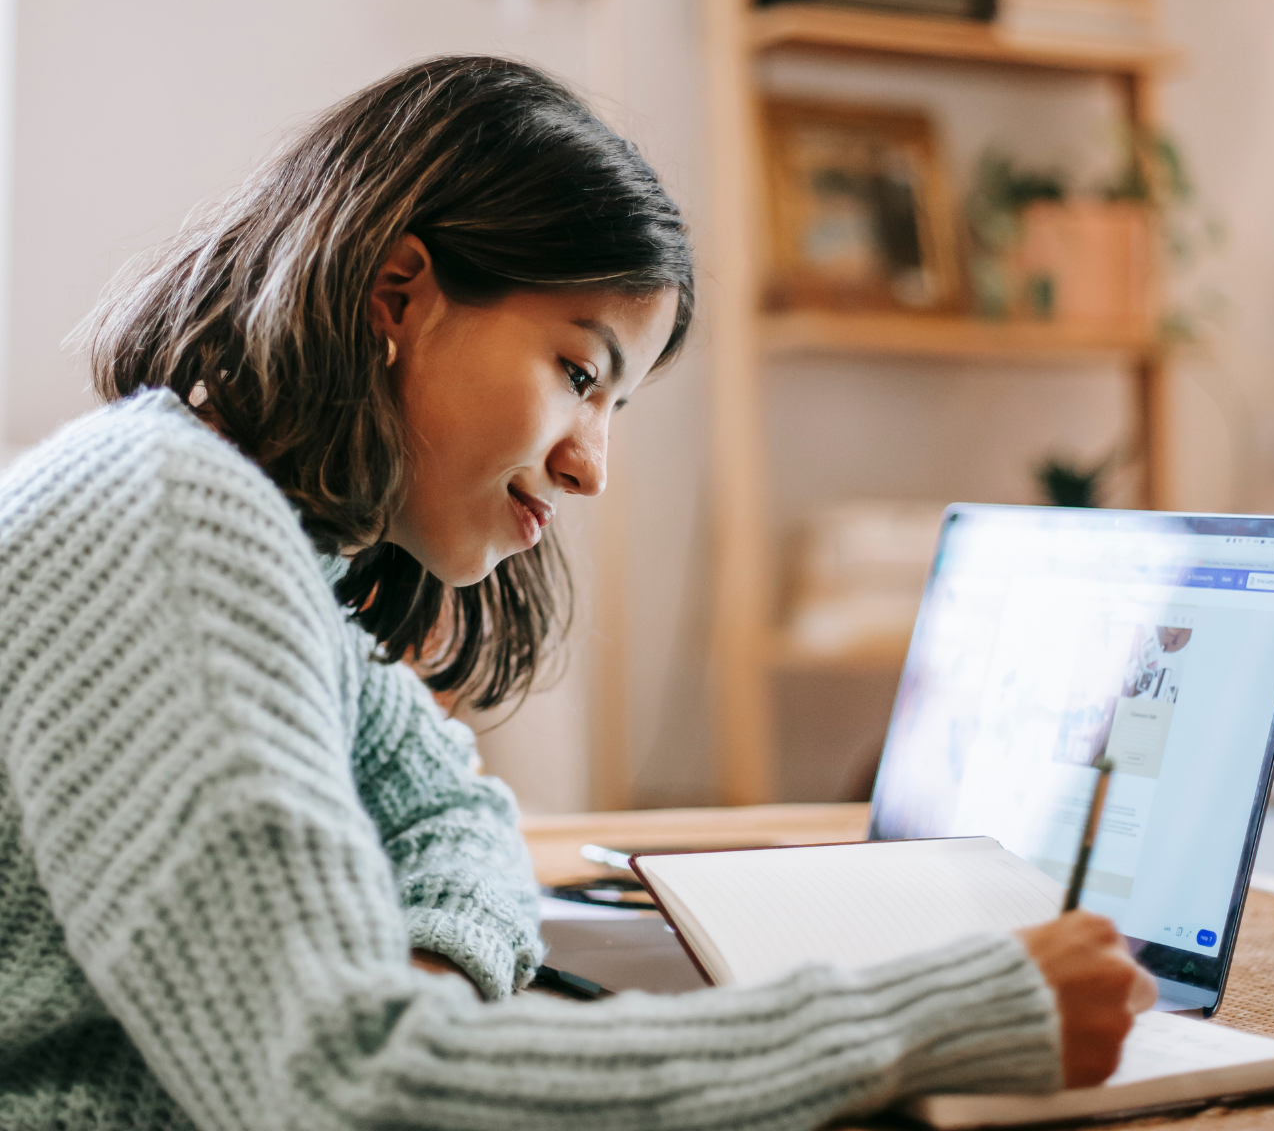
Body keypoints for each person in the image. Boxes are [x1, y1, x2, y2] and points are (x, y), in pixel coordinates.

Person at [0, 55, 1155, 1131]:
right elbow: (348, 1094)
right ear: (396, 295)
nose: (589, 465)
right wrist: (917, 1020)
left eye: (614, 407)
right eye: (576, 372)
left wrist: (430, 972)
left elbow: (455, 817)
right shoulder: (166, 524)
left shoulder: (262, 548)